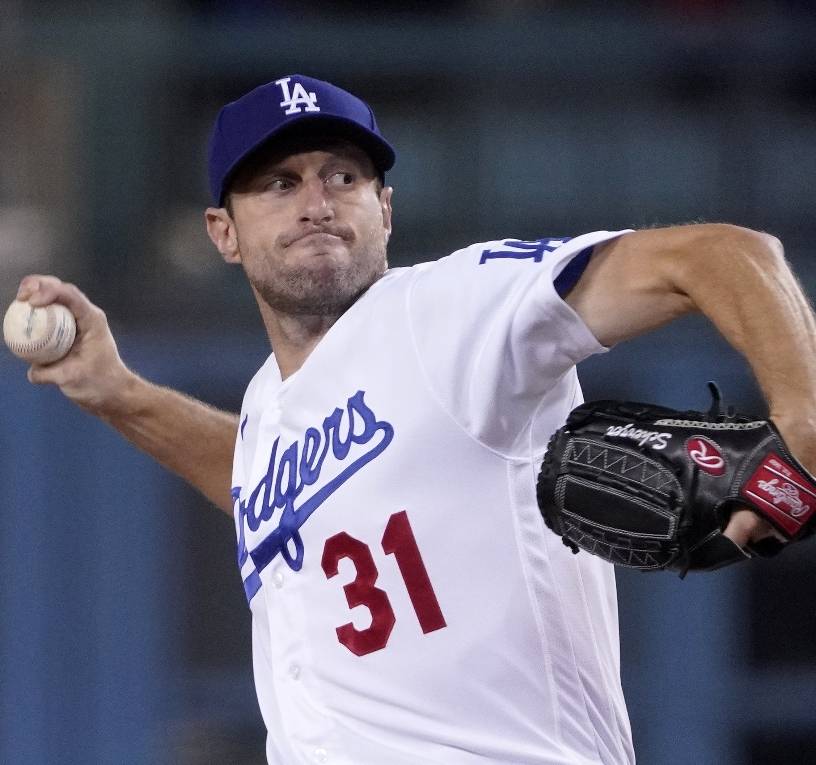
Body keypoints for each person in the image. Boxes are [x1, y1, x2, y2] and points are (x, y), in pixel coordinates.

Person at [16, 74, 816, 765]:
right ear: (223, 233)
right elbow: (261, 481)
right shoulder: (271, 404)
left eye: (343, 176)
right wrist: (117, 391)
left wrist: (803, 425)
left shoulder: (450, 309)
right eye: (279, 183)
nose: (318, 202)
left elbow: (723, 254)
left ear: (385, 209)